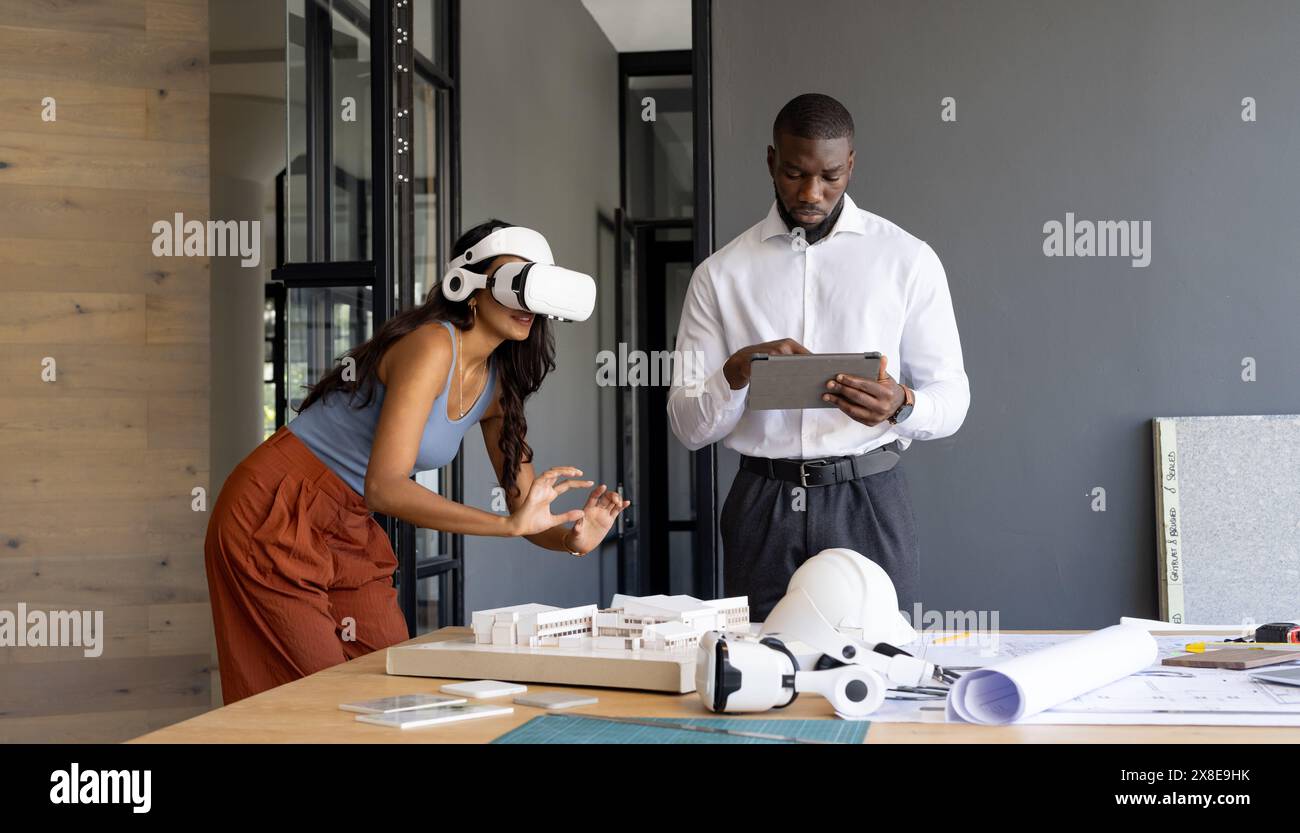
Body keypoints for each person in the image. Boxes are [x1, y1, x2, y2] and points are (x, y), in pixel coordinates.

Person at [205, 219, 629, 703]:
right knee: (315, 698)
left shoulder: (498, 387)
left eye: (534, 287)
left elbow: (527, 515)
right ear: (469, 286)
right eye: (515, 282)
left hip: (348, 522)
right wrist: (505, 524)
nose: (526, 303)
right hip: (275, 505)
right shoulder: (431, 345)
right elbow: (385, 487)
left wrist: (574, 538)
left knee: (388, 682)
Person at [667, 93, 970, 620]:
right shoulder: (719, 276)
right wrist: (736, 371)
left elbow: (953, 398)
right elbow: (689, 428)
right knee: (761, 668)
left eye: (830, 176)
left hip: (868, 499)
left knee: (879, 670)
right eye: (793, 173)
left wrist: (901, 404)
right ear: (770, 161)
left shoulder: (907, 260)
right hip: (762, 503)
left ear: (850, 164)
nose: (811, 192)